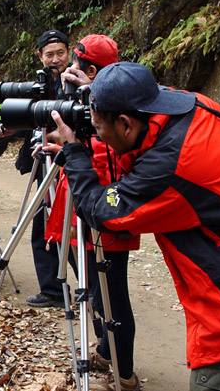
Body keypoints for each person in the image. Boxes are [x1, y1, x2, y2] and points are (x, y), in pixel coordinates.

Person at [49, 61, 220, 391]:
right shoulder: (190, 104)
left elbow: (106, 215)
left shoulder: (174, 162)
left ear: (127, 124)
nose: (97, 133)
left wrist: (74, 153)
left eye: (99, 127)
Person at [41, 35, 140, 389]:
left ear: (92, 69)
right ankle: (105, 349)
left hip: (107, 211)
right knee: (98, 291)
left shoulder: (113, 107)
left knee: (112, 296)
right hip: (87, 203)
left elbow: (109, 156)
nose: (69, 71)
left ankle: (125, 377)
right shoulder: (96, 100)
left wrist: (93, 99)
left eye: (75, 65)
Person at [0, 29, 71, 308]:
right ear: (40, 57)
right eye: (49, 54)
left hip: (68, 162)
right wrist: (13, 128)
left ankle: (85, 288)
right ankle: (52, 290)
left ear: (69, 53)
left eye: (60, 53)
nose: (55, 59)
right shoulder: (38, 85)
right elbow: (32, 118)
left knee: (69, 227)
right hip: (44, 164)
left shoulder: (75, 82)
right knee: (41, 225)